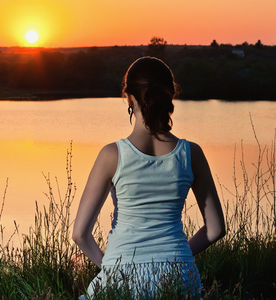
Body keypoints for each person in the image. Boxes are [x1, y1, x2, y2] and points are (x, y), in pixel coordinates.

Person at [72, 57, 226, 298]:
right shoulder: (190, 153)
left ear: (129, 97)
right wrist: (179, 256)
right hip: (179, 275)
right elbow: (216, 229)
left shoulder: (112, 155)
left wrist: (112, 267)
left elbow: (80, 234)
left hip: (122, 272)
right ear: (170, 96)